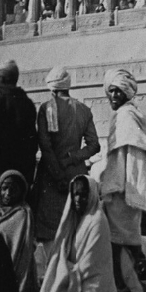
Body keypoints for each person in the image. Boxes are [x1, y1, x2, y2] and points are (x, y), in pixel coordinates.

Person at [95, 68, 146, 292]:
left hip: (123, 195)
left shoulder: (125, 117)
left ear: (127, 93)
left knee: (118, 252)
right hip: (128, 194)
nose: (112, 95)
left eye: (117, 91)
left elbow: (126, 159)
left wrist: (109, 187)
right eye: (110, 91)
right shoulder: (130, 114)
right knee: (125, 251)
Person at [33, 67, 100, 243]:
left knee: (51, 234)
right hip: (75, 175)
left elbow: (45, 146)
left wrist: (57, 175)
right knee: (74, 230)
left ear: (51, 89)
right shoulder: (83, 109)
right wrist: (73, 157)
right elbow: (94, 146)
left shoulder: (46, 108)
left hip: (50, 176)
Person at [0, 60, 40, 203]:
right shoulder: (26, 104)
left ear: (0, 79)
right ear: (15, 78)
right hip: (17, 169)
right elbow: (31, 141)